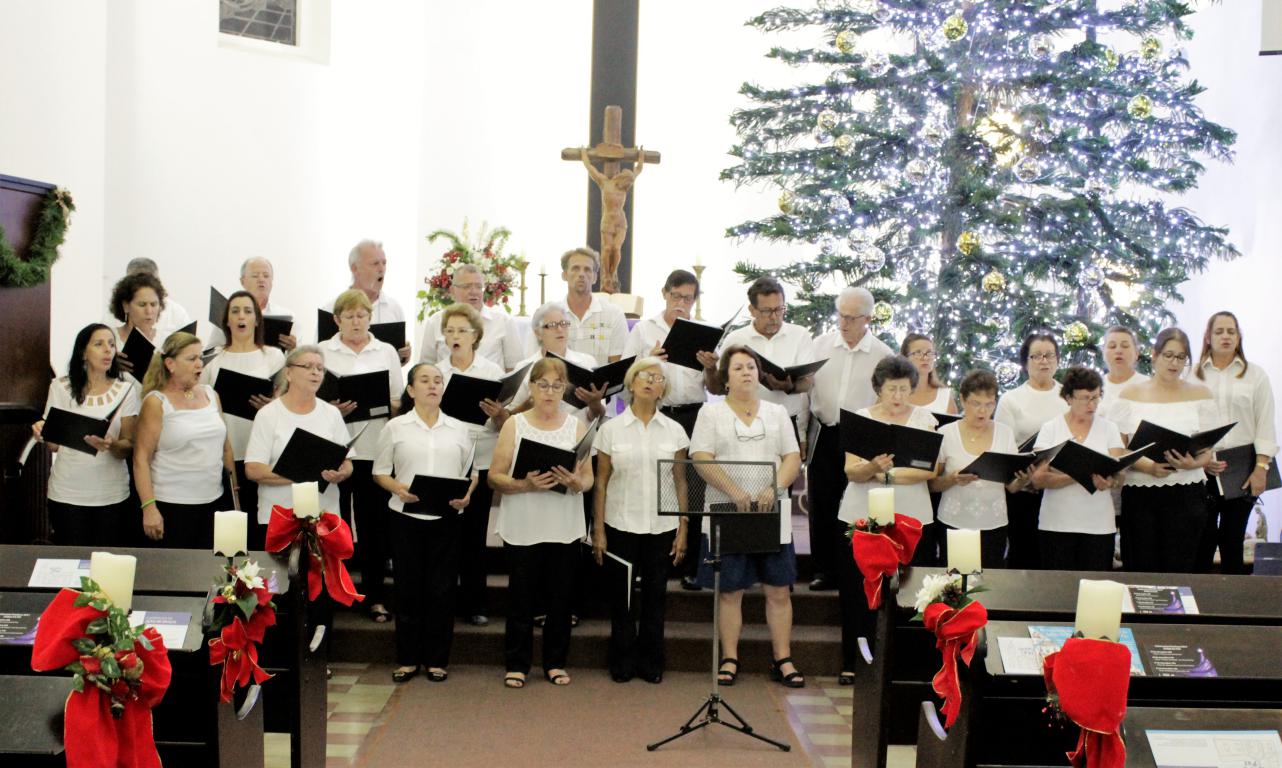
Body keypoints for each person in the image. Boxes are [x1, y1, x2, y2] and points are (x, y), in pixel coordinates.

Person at [691, 346, 804, 689]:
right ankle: (729, 657)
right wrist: (734, 492)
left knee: (779, 591)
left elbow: (792, 457)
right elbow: (701, 457)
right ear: (725, 378)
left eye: (751, 367)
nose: (746, 372)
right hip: (727, 511)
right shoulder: (711, 415)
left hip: (770, 511)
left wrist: (774, 487)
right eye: (738, 367)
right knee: (730, 591)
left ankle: (782, 658)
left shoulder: (776, 412)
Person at [488, 358, 594, 688]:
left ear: (565, 390)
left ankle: (554, 662)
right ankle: (517, 663)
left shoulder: (576, 426)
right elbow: (495, 476)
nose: (550, 392)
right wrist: (524, 485)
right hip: (524, 521)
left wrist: (578, 483)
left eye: (557, 385)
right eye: (543, 385)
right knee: (521, 597)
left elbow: (588, 477)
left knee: (560, 598)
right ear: (532, 388)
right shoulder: (514, 425)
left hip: (563, 522)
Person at [373, 363, 478, 684]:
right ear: (410, 389)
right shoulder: (395, 427)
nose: (432, 386)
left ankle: (436, 660)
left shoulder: (460, 428)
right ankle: (407, 659)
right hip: (405, 517)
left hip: (446, 519)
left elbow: (471, 474)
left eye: (437, 381)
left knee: (442, 590)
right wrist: (398, 489)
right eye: (425, 380)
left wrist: (467, 496)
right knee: (408, 589)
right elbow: (379, 472)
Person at [835, 356, 938, 683]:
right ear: (878, 388)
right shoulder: (862, 420)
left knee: (907, 590)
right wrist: (871, 470)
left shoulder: (924, 419)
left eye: (904, 389)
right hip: (861, 516)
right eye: (892, 389)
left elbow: (929, 469)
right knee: (858, 590)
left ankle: (902, 664)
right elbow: (852, 470)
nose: (898, 396)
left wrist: (886, 476)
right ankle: (854, 661)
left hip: (912, 517)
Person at [591, 357, 690, 683]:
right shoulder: (610, 430)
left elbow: (680, 481)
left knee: (655, 596)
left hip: (662, 525)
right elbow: (602, 481)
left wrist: (683, 527)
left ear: (663, 389)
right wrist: (599, 530)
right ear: (631, 384)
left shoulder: (674, 431)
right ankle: (621, 659)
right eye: (644, 376)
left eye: (658, 377)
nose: (651, 381)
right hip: (620, 522)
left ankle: (651, 661)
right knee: (622, 598)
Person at [323, 289, 405, 622]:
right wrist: (332, 409)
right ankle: (336, 593)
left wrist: (380, 404)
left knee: (374, 528)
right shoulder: (324, 351)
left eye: (363, 315)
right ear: (337, 320)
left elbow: (399, 400)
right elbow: (313, 401)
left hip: (374, 447)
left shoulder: (384, 351)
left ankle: (375, 597)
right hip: (337, 450)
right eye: (350, 316)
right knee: (335, 525)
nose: (357, 322)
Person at [624, 270, 707, 590]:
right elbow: (625, 379)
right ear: (664, 294)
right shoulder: (645, 329)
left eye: (688, 298)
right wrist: (648, 360)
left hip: (694, 414)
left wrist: (710, 365)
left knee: (694, 491)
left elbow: (713, 385)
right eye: (676, 296)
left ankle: (691, 565)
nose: (681, 303)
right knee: (655, 487)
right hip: (656, 413)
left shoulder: (703, 331)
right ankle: (652, 563)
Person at [807, 286, 893, 592]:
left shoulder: (882, 354)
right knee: (822, 500)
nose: (844, 323)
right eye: (840, 315)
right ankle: (823, 569)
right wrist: (804, 436)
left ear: (868, 318)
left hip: (861, 436)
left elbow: (887, 400)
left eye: (852, 318)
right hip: (825, 430)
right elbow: (808, 392)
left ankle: (853, 567)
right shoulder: (819, 346)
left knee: (856, 501)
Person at [1112, 328, 1219, 573]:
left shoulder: (1200, 394)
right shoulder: (1130, 395)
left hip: (1187, 493)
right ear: (1154, 354)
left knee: (1181, 569)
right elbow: (1117, 449)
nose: (1174, 363)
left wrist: (1193, 463)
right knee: (1143, 570)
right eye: (1168, 355)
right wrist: (1147, 465)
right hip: (1141, 494)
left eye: (1181, 357)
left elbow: (1208, 448)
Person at [433, 303, 509, 626]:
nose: (455, 336)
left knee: (475, 534)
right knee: (447, 535)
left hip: (481, 455)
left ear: (476, 335)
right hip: (446, 460)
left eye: (462, 330)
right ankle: (445, 602)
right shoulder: (437, 373)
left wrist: (497, 414)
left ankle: (476, 603)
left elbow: (504, 422)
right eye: (449, 330)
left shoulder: (491, 372)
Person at [32, 324, 140, 546]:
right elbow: (54, 445)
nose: (108, 350)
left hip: (111, 493)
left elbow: (129, 445)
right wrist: (42, 431)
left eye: (111, 344)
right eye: (99, 344)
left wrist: (110, 445)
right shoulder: (60, 387)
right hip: (67, 492)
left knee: (105, 563)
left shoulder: (126, 390)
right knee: (70, 563)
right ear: (83, 352)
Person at [201, 290, 286, 549]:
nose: (241, 316)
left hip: (261, 451)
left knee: (261, 524)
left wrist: (272, 405)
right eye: (235, 311)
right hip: (226, 449)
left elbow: (286, 402)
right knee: (232, 529)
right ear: (226, 320)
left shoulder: (273, 356)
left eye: (248, 311)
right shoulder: (213, 358)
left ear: (257, 320)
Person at [133, 331, 235, 548]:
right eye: (191, 359)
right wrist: (149, 507)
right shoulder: (156, 402)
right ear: (170, 364)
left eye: (200, 357)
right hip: (172, 505)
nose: (199, 364)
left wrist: (234, 497)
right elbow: (141, 458)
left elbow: (225, 447)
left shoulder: (210, 394)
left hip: (214, 501)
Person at [1194, 312, 1277, 574]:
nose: (1226, 336)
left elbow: (1265, 422)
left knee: (1233, 540)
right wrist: (1200, 458)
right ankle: (1199, 609)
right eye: (1219, 331)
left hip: (1242, 469)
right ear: (1208, 337)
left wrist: (1261, 468)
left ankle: (1230, 608)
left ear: (1239, 336)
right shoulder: (1193, 376)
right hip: (1204, 468)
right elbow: (1187, 421)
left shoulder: (1255, 375)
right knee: (1202, 541)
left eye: (1231, 331)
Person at [244, 345, 354, 538]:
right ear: (288, 373)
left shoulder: (331, 413)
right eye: (308, 366)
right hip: (281, 517)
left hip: (324, 516)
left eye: (320, 368)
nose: (315, 372)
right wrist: (309, 473)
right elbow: (253, 469)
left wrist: (341, 473)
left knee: (324, 569)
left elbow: (347, 462)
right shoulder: (268, 414)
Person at [930, 369, 1031, 569]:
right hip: (954, 523)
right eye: (976, 403)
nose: (983, 411)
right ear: (963, 400)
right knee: (952, 588)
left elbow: (1011, 487)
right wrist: (953, 479)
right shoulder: (946, 434)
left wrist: (1022, 478)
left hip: (994, 524)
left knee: (990, 587)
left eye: (989, 404)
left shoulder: (1005, 433)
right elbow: (932, 485)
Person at [1029, 366, 1127, 571]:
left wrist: (1110, 481)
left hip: (1098, 524)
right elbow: (1038, 479)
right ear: (1069, 398)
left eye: (1095, 397)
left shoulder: (1108, 428)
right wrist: (1077, 475)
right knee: (1057, 590)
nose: (1091, 405)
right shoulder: (1051, 428)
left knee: (1095, 588)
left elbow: (1119, 472)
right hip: (1056, 523)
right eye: (1085, 398)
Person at [994, 332, 1067, 569]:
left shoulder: (1068, 397)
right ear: (1025, 362)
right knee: (1023, 557)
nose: (1043, 361)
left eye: (1049, 355)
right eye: (1036, 356)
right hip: (1024, 491)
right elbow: (1004, 444)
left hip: (1060, 489)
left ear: (1057, 359)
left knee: (1056, 558)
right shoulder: (1011, 399)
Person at [512, 302, 607, 423]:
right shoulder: (525, 367)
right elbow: (512, 415)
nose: (560, 329)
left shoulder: (587, 362)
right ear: (538, 333)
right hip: (537, 435)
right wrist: (531, 403)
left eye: (564, 324)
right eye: (552, 325)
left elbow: (599, 417)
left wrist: (594, 403)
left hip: (578, 435)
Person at [419, 263, 526, 371]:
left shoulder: (503, 321)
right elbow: (425, 367)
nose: (474, 292)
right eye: (467, 286)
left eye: (479, 286)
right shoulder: (435, 321)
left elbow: (515, 368)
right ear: (452, 291)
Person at [329, 239, 412, 363]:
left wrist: (403, 356)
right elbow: (319, 356)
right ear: (354, 268)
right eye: (375, 263)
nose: (381, 269)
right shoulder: (332, 308)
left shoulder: (394, 308)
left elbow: (397, 363)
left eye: (384, 263)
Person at [579, 147, 644, 294]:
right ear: (621, 178)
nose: (628, 185)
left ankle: (613, 273)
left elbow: (638, 169)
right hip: (608, 220)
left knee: (616, 248)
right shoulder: (605, 183)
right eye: (627, 182)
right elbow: (590, 168)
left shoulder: (625, 188)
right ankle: (606, 276)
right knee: (607, 249)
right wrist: (584, 154)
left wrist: (641, 156)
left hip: (620, 221)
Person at [207, 257, 297, 351]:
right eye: (255, 276)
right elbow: (211, 352)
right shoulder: (229, 314)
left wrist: (293, 349)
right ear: (242, 281)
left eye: (266, 276)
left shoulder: (288, 316)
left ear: (272, 282)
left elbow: (299, 357)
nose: (261, 279)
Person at [559, 247, 628, 365]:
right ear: (565, 275)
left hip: (602, 383)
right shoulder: (551, 315)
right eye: (575, 268)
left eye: (587, 270)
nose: (581, 274)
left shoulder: (614, 314)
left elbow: (618, 364)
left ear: (595, 277)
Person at [108, 271, 167, 378]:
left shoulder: (166, 339)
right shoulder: (109, 338)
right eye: (142, 304)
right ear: (126, 306)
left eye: (154, 304)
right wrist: (108, 364)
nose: (149, 311)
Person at [121, 258, 193, 342]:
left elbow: (192, 347)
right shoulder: (111, 318)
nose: (149, 311)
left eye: (149, 283)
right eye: (141, 304)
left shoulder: (176, 312)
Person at [1099, 326, 1148, 421]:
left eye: (1125, 346)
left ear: (1136, 353)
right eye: (1112, 346)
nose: (1118, 351)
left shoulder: (1149, 386)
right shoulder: (1093, 386)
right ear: (1103, 352)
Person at [902, 333, 957, 416]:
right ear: (905, 358)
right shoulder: (893, 391)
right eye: (918, 353)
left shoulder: (944, 396)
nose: (925, 358)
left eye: (930, 353)